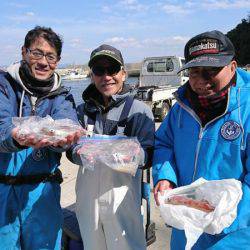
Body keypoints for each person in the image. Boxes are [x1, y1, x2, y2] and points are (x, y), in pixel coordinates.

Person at [152, 30, 250, 249]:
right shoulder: (180, 109)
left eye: (211, 71)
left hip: (233, 236)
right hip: (185, 229)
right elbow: (164, 144)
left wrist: (223, 217)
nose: (201, 81)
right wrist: (165, 177)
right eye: (194, 72)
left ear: (232, 67)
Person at [0, 26, 83, 249]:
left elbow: (68, 126)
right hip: (2, 192)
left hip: (43, 195)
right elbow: (1, 125)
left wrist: (66, 142)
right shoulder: (3, 86)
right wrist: (16, 137)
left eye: (51, 56)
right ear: (23, 51)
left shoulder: (62, 96)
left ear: (57, 61)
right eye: (37, 53)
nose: (43, 62)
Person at [67, 44, 155, 250]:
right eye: (99, 71)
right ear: (92, 76)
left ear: (123, 74)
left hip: (123, 199)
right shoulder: (81, 111)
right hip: (88, 200)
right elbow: (71, 150)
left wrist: (130, 155)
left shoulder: (139, 110)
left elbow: (148, 155)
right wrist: (77, 152)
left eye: (112, 70)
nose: (106, 77)